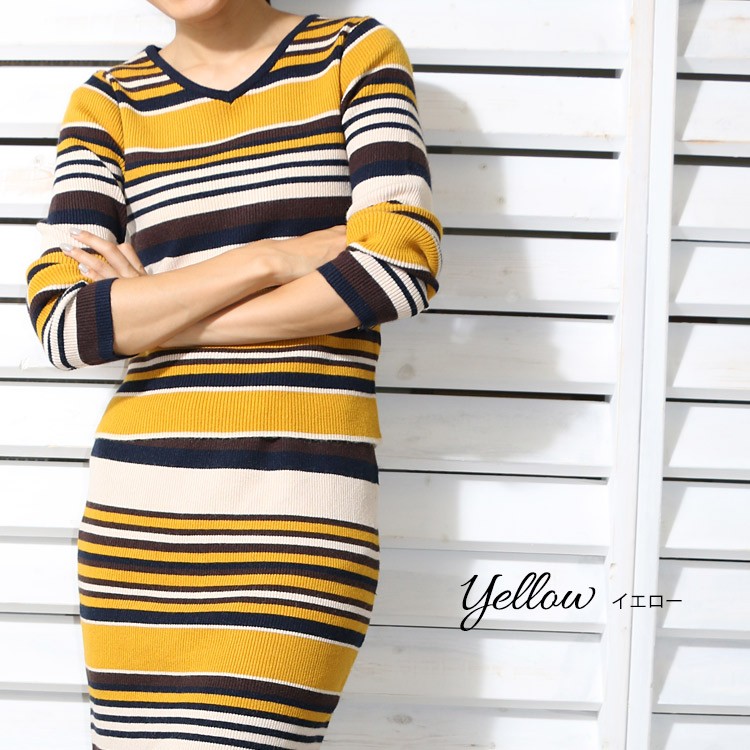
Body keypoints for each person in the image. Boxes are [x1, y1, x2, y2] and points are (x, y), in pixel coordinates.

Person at [24, 0, 442, 747]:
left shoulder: (353, 54)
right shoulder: (109, 100)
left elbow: (397, 269)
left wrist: (156, 312)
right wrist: (271, 259)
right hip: (139, 516)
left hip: (299, 503)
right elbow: (66, 325)